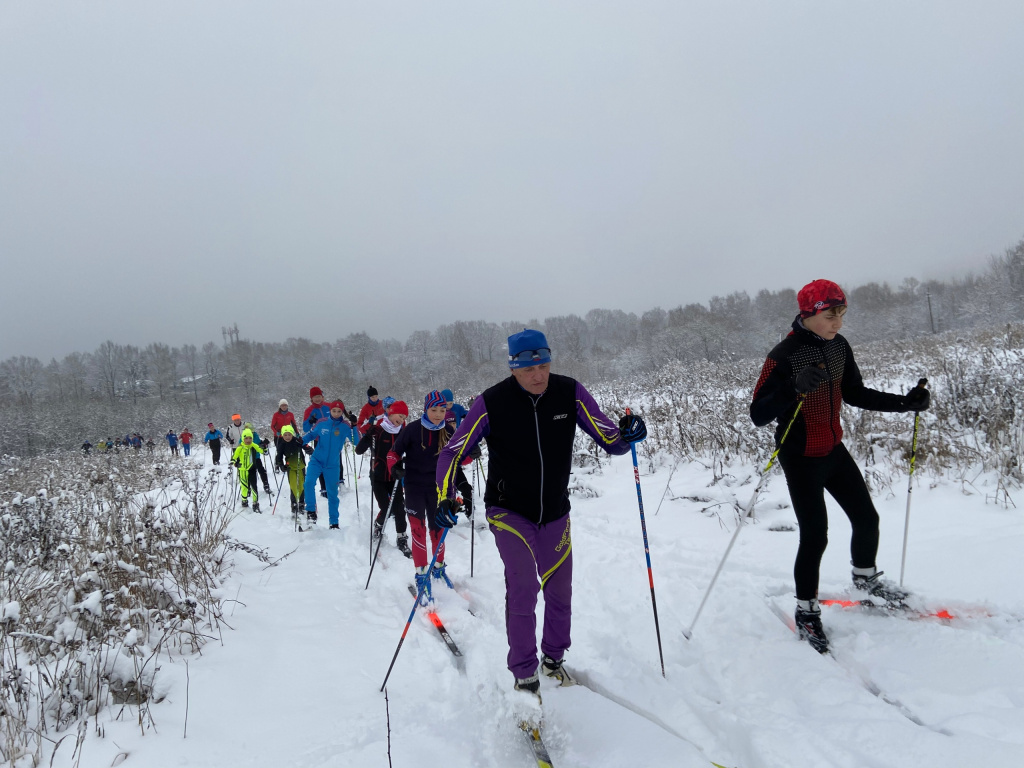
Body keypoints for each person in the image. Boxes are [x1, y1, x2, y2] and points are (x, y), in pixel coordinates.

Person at [435, 329, 646, 696]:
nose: (539, 375)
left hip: (555, 511)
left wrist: (629, 433)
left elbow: (611, 440)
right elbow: (453, 452)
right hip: (508, 510)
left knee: (560, 588)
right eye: (529, 368)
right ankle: (524, 675)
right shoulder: (492, 402)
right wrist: (444, 496)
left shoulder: (569, 392)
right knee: (523, 585)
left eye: (544, 365)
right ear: (514, 368)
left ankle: (553, 660)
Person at [750, 279, 931, 654]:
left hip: (833, 448)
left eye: (842, 314)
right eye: (831, 315)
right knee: (815, 536)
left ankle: (866, 581)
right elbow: (758, 414)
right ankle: (806, 612)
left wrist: (905, 403)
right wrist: (792, 388)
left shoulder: (839, 347)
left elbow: (855, 393)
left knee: (867, 518)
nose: (838, 323)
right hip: (800, 456)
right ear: (809, 313)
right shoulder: (783, 356)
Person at [390, 391, 479, 598]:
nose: (438, 414)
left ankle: (438, 567)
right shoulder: (412, 429)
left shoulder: (448, 430)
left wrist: (470, 456)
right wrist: (394, 466)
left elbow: (457, 458)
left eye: (442, 410)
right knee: (418, 529)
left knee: (438, 528)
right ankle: (421, 573)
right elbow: (393, 452)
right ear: (425, 409)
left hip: (440, 487)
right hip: (413, 485)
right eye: (433, 410)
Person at [356, 400, 409, 551]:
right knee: (386, 508)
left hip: (395, 475)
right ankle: (378, 525)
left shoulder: (403, 432)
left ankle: (402, 537)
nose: (402, 419)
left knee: (399, 508)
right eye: (400, 415)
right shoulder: (379, 429)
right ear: (391, 413)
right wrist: (368, 435)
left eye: (404, 417)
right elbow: (359, 451)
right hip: (378, 475)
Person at [302, 400, 355, 529]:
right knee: (308, 483)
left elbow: (356, 442)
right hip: (317, 460)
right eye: (334, 411)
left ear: (342, 412)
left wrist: (355, 425)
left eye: (339, 411)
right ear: (330, 410)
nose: (336, 414)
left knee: (332, 494)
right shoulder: (322, 423)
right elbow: (311, 434)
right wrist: (299, 441)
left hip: (332, 464)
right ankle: (311, 512)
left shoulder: (345, 426)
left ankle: (334, 522)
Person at [276, 425, 311, 515]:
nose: (287, 437)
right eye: (285, 435)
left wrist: (309, 449)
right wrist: (281, 465)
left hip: (301, 466)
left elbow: (306, 446)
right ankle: (294, 503)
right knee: (293, 486)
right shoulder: (282, 444)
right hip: (290, 467)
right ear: (282, 435)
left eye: (289, 434)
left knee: (302, 485)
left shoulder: (297, 441)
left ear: (292, 434)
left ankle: (302, 503)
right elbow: (278, 456)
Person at [232, 428, 265, 512]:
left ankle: (255, 503)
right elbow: (234, 457)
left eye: (250, 438)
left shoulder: (253, 445)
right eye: (246, 438)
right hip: (242, 469)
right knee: (244, 486)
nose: (248, 440)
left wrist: (264, 448)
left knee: (254, 486)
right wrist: (235, 463)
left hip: (252, 469)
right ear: (243, 438)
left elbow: (261, 450)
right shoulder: (240, 447)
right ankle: (244, 500)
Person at [242, 422, 273, 496]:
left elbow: (258, 444)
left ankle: (266, 485)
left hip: (256, 457)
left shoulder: (255, 436)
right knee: (249, 473)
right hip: (248, 459)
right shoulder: (243, 437)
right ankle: (248, 488)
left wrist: (263, 444)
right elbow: (242, 446)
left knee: (262, 471)